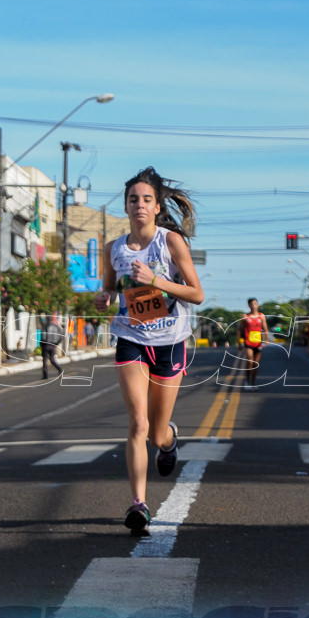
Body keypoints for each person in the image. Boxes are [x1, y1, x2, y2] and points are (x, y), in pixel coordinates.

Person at [94, 167, 204, 535]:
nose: (139, 205)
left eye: (146, 200)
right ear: (125, 207)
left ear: (157, 206)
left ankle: (169, 439)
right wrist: (105, 296)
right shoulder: (113, 249)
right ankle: (139, 504)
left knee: (157, 433)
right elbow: (110, 288)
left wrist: (156, 280)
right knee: (137, 424)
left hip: (170, 341)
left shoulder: (170, 242)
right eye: (132, 200)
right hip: (131, 338)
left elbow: (196, 294)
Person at [238, 298, 269, 391]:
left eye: (255, 304)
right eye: (252, 304)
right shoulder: (245, 316)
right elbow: (239, 329)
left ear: (258, 305)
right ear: (249, 305)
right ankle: (247, 381)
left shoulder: (261, 316)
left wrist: (266, 340)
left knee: (255, 364)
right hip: (248, 342)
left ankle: (252, 382)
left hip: (258, 343)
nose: (254, 306)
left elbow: (265, 329)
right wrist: (239, 342)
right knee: (250, 362)